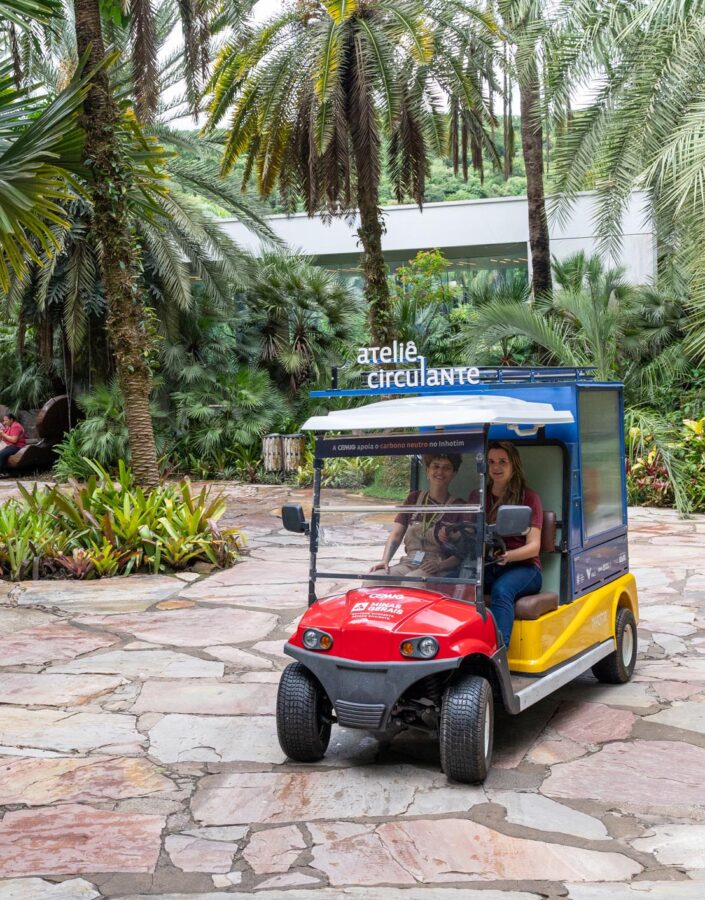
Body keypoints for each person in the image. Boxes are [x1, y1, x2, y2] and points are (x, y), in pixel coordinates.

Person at [368, 453, 466, 584]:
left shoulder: (459, 506)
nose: (440, 472)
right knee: (373, 579)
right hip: (409, 562)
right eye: (436, 466)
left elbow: (464, 551)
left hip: (439, 567)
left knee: (412, 581)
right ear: (427, 471)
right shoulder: (413, 499)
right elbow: (396, 534)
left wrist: (441, 565)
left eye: (446, 468)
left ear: (454, 474)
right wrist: (384, 561)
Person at [482, 440, 543, 648]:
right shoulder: (479, 496)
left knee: (501, 590)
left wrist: (508, 557)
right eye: (491, 462)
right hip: (489, 564)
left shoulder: (529, 498)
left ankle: (499, 652)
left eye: (502, 462)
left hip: (524, 568)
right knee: (459, 584)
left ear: (513, 465)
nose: (496, 467)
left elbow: (534, 547)